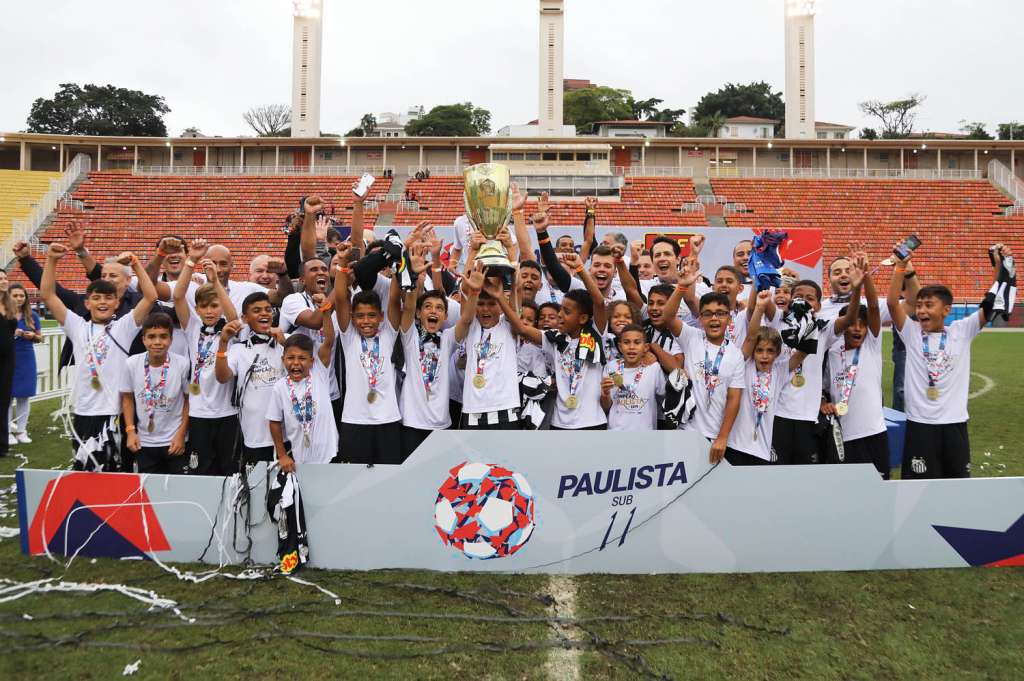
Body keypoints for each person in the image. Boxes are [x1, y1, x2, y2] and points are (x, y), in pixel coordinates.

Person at [886, 245, 1005, 479]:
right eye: (919, 305)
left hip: (954, 424)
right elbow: (892, 304)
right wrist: (900, 266)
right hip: (919, 424)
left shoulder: (962, 331)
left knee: (957, 485)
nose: (921, 311)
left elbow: (989, 305)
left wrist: (999, 267)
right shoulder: (910, 333)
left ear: (947, 309)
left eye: (929, 305)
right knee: (917, 486)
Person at [41, 244, 158, 471]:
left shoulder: (123, 327)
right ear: (87, 303)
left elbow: (150, 297)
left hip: (113, 412)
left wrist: (135, 263)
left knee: (114, 470)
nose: (102, 302)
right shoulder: (77, 326)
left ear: (116, 303)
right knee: (85, 469)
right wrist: (52, 260)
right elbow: (47, 294)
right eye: (96, 298)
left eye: (108, 298)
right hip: (83, 411)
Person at [497, 253, 608, 429]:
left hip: (592, 423)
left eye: (566, 311)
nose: (560, 315)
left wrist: (580, 269)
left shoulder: (595, 334)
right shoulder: (554, 339)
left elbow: (599, 303)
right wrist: (499, 298)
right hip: (559, 424)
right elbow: (521, 328)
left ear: (583, 318)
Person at [173, 248, 240, 475]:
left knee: (228, 470)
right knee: (201, 470)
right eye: (204, 306)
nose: (209, 311)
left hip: (227, 412)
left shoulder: (230, 330)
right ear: (197, 309)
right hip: (199, 412)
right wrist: (191, 260)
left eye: (214, 305)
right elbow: (178, 296)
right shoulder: (192, 327)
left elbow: (234, 317)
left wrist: (215, 282)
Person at [824, 253, 890, 478]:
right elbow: (821, 385)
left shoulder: (871, 345)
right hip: (844, 434)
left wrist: (863, 281)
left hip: (874, 432)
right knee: (848, 491)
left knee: (881, 487)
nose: (857, 329)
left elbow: (872, 306)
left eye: (862, 325)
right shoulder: (832, 352)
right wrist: (823, 401)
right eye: (851, 324)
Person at [661, 287, 745, 463]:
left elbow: (734, 399)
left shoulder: (735, 354)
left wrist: (723, 437)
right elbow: (668, 316)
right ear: (700, 319)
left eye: (720, 313)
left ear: (729, 318)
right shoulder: (692, 337)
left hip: (714, 437)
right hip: (685, 432)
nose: (714, 318)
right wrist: (682, 286)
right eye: (708, 314)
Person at [333, 261, 403, 465]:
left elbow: (394, 299)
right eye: (360, 316)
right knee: (354, 480)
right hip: (355, 420)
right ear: (352, 318)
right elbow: (340, 299)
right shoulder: (349, 337)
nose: (366, 321)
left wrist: (399, 266)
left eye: (372, 315)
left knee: (388, 478)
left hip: (387, 419)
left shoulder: (389, 334)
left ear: (381, 317)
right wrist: (342, 267)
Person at [726, 291, 806, 465]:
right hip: (735, 447)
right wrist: (760, 308)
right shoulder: (744, 366)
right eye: (760, 350)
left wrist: (808, 322)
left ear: (778, 353)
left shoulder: (780, 371)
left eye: (770, 351)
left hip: (762, 451)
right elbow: (751, 336)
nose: (764, 356)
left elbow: (804, 351)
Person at [215, 293, 286, 467]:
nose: (264, 314)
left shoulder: (287, 341)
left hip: (288, 434)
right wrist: (223, 343)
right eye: (257, 310)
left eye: (268, 310)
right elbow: (222, 377)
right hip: (255, 435)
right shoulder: (238, 349)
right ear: (245, 318)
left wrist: (284, 343)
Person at [119, 312, 191, 474]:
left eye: (163, 336)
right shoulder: (131, 364)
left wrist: (181, 434)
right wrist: (131, 431)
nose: (157, 342)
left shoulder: (182, 364)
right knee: (150, 493)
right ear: (143, 339)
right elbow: (127, 399)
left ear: (171, 339)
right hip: (144, 442)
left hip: (174, 441)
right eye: (151, 337)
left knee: (178, 490)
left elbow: (189, 400)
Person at [398, 263, 456, 459]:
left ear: (446, 316)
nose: (433, 311)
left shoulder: (448, 338)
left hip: (442, 424)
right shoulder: (410, 336)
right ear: (418, 313)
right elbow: (407, 308)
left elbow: (465, 320)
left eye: (439, 308)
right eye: (428, 307)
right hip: (412, 423)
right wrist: (415, 281)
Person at [455, 263, 522, 430]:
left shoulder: (508, 325)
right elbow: (465, 297)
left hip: (505, 409)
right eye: (481, 303)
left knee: (506, 457)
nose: (485, 308)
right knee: (472, 458)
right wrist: (475, 291)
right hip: (472, 411)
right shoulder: (471, 325)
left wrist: (500, 295)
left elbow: (517, 295)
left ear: (500, 306)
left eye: (491, 304)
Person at [267, 331, 338, 471]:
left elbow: (329, 340)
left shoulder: (320, 374)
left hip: (329, 455)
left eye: (302, 358)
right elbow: (274, 421)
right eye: (290, 358)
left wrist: (325, 311)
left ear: (312, 361)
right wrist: (282, 455)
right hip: (300, 459)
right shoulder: (279, 388)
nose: (296, 363)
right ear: (283, 360)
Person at [601, 324, 666, 431]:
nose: (631, 347)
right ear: (620, 346)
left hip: (645, 435)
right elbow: (606, 407)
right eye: (626, 342)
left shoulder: (653, 368)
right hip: (615, 434)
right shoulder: (611, 367)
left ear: (645, 347)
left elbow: (663, 399)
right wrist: (605, 394)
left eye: (637, 342)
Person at [8, 284, 42, 445]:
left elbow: (40, 338)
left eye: (22, 296)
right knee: (7, 396)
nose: (19, 298)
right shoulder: (3, 314)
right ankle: (6, 431)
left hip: (26, 356)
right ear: (8, 297)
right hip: (6, 357)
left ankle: (21, 430)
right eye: (15, 295)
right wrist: (10, 333)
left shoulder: (32, 315)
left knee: (24, 396)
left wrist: (32, 336)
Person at [0, 275, 16, 456]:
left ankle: (2, 445)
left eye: (5, 278)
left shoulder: (10, 305)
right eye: (0, 279)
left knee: (4, 401)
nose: (4, 281)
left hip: (8, 360)